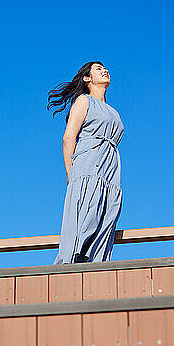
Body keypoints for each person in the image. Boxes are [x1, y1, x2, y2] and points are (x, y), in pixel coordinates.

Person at [47, 61, 124, 264]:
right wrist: (71, 175)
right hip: (88, 164)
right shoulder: (84, 101)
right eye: (98, 69)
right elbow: (68, 137)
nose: (105, 70)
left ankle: (96, 262)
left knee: (106, 212)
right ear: (87, 78)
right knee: (85, 213)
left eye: (105, 68)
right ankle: (72, 262)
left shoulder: (114, 112)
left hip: (110, 167)